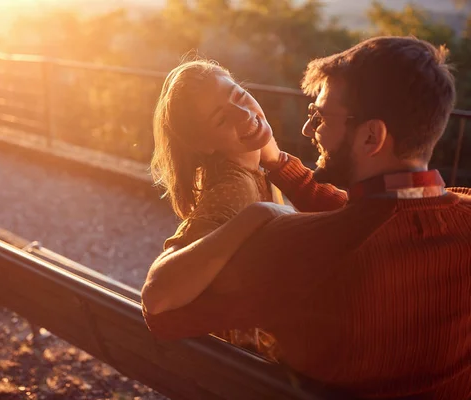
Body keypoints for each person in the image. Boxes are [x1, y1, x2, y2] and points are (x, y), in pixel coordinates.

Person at [142, 36, 471, 399]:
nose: (307, 130)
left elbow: (161, 308)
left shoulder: (297, 249)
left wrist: (261, 213)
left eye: (321, 117)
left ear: (371, 137)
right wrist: (279, 163)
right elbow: (378, 213)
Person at [149, 59, 292, 360]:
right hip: (260, 371)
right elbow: (157, 294)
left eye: (240, 95)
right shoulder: (235, 188)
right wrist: (263, 213)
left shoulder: (247, 169)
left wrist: (269, 151)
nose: (244, 113)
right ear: (203, 144)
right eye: (221, 120)